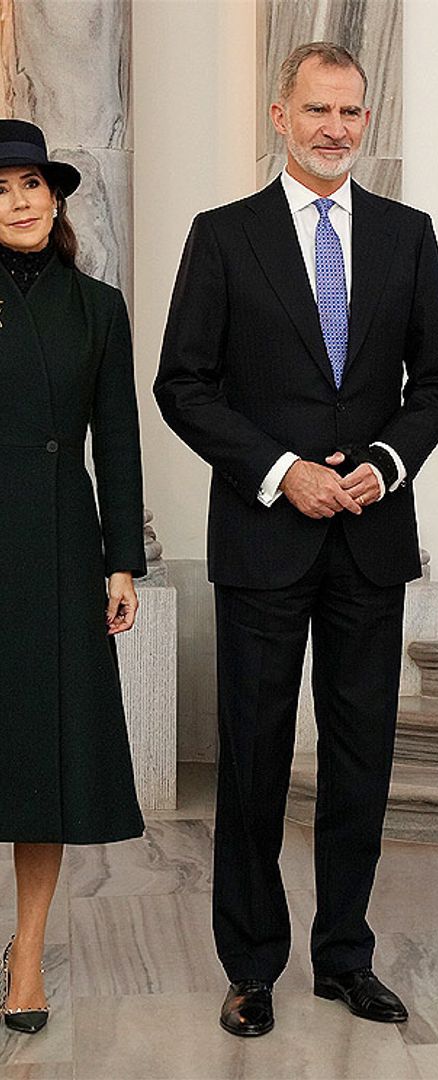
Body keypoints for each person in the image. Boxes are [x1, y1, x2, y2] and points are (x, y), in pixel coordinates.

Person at [155, 42, 438, 1037]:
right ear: (279, 117)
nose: (338, 128)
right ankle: (251, 967)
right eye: (320, 109)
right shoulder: (224, 237)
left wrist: (386, 458)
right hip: (262, 536)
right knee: (251, 757)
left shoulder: (407, 236)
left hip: (372, 539)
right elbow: (183, 384)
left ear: (366, 124)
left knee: (361, 756)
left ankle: (345, 957)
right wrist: (283, 472)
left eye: (354, 113)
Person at [0, 120, 145, 1035]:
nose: (17, 202)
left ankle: (26, 958)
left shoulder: (99, 307)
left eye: (30, 185)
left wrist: (120, 559)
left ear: (54, 198)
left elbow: (120, 442)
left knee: (41, 761)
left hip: (55, 545)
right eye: (0, 188)